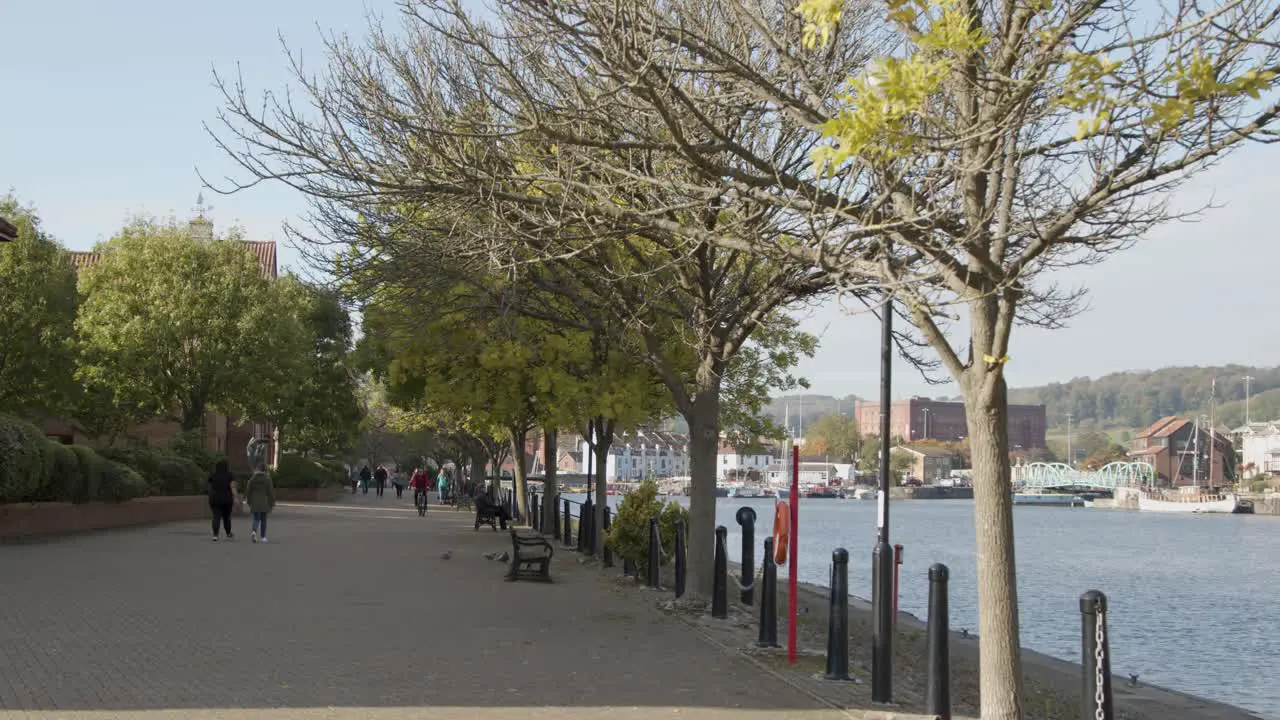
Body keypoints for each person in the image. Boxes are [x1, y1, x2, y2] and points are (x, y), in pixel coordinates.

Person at [244, 467, 277, 543]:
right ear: (265, 470)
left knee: (256, 518)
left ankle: (254, 531)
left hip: (254, 501)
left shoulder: (252, 479)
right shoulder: (267, 479)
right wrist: (272, 502)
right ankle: (263, 537)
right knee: (263, 520)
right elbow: (270, 492)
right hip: (264, 502)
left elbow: (248, 490)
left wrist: (248, 500)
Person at [207, 460, 235, 541]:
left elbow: (209, 486)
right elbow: (232, 486)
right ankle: (228, 533)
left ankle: (215, 535)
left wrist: (210, 494)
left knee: (216, 516)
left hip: (215, 499)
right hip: (227, 499)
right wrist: (235, 497)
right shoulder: (230, 475)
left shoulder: (213, 475)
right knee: (226, 517)